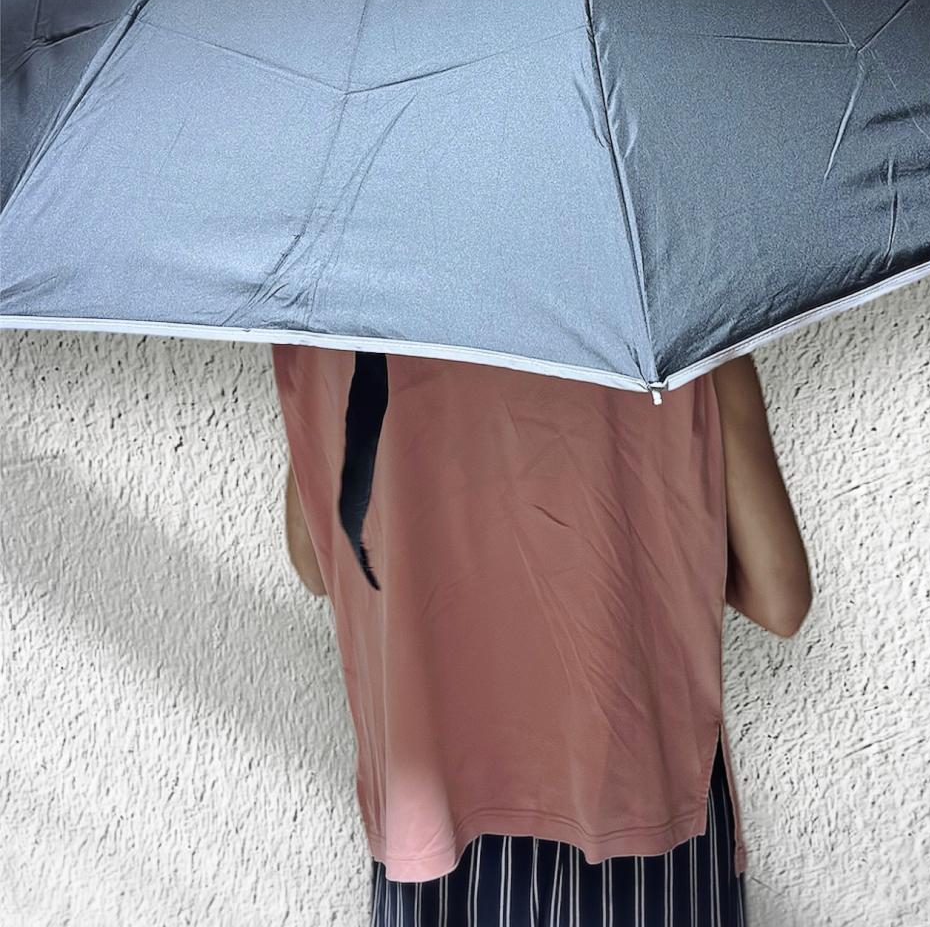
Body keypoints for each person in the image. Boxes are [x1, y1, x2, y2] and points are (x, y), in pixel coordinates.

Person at [275, 346, 811, 926]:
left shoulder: (341, 331)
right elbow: (779, 599)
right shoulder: (670, 328)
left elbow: (316, 564)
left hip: (435, 804)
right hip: (635, 797)